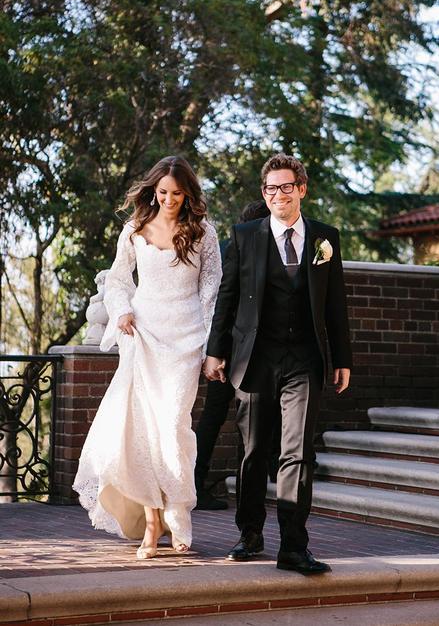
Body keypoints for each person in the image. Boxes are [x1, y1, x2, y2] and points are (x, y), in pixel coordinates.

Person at [203, 153, 352, 576]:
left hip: (304, 358)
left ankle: (293, 546)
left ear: (302, 189)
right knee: (252, 451)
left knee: (297, 453)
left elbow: (336, 304)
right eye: (270, 188)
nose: (278, 195)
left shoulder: (326, 238)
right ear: (263, 193)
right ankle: (250, 534)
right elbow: (226, 298)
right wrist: (216, 350)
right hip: (255, 358)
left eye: (286, 187)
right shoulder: (245, 236)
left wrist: (342, 357)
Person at [74, 156, 222, 559]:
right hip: (143, 335)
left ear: (188, 193)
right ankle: (153, 521)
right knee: (142, 430)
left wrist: (212, 348)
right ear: (153, 191)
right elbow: (119, 280)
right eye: (163, 193)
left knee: (173, 425)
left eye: (177, 193)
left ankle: (180, 511)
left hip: (186, 338)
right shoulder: (134, 230)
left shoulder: (204, 233)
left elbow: (211, 293)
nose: (170, 200)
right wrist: (121, 310)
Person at [195, 200, 270, 511]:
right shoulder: (238, 249)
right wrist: (218, 352)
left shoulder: (232, 244)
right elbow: (222, 302)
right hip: (231, 350)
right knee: (231, 420)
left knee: (219, 418)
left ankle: (200, 486)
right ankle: (203, 487)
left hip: (231, 348)